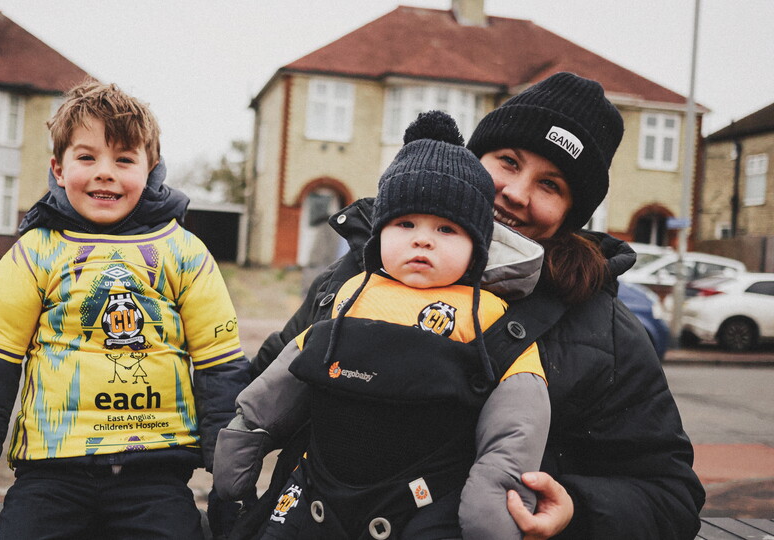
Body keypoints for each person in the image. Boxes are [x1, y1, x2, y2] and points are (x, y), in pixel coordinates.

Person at [242, 72, 705, 540]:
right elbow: (261, 385)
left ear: (571, 214)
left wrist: (575, 510)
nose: (517, 193)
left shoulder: (601, 328)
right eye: (507, 162)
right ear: (473, 157)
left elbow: (671, 496)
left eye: (551, 185)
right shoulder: (363, 268)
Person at [0, 81, 249, 539]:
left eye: (124, 159)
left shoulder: (186, 254)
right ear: (58, 169)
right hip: (50, 475)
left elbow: (220, 367)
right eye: (87, 158)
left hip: (155, 475)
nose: (105, 173)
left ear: (152, 170)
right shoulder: (34, 252)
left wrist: (230, 483)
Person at [215, 110, 550, 539]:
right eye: (405, 224)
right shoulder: (353, 293)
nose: (422, 239)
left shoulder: (487, 315)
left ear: (478, 249)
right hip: (319, 492)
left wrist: (494, 495)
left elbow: (518, 417)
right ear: (379, 234)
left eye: (447, 229)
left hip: (422, 500)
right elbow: (291, 371)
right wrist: (246, 435)